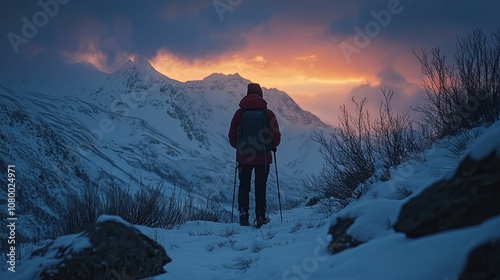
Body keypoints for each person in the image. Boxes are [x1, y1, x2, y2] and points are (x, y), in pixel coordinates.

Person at [228, 83, 281, 227]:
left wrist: (241, 149)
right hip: (263, 158)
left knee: (243, 186)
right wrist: (270, 147)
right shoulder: (268, 113)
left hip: (244, 158)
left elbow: (232, 136)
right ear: (261, 94)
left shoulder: (239, 114)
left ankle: (243, 216)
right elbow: (276, 137)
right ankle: (260, 217)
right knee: (260, 187)